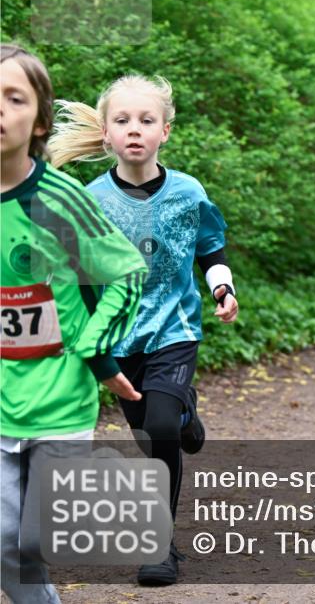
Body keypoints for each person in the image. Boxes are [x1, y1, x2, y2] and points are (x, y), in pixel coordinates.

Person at [49, 74, 239, 586]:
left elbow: (211, 249)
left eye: (146, 121)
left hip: (174, 328)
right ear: (107, 134)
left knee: (157, 426)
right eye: (123, 121)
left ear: (166, 131)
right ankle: (185, 414)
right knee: (152, 433)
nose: (135, 130)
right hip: (119, 337)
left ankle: (161, 544)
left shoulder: (187, 193)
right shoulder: (88, 200)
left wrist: (223, 290)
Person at [1, 44, 148, 603]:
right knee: (3, 547)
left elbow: (126, 275)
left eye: (13, 99)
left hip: (60, 399)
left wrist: (95, 351)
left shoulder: (58, 200)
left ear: (37, 120)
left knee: (36, 542)